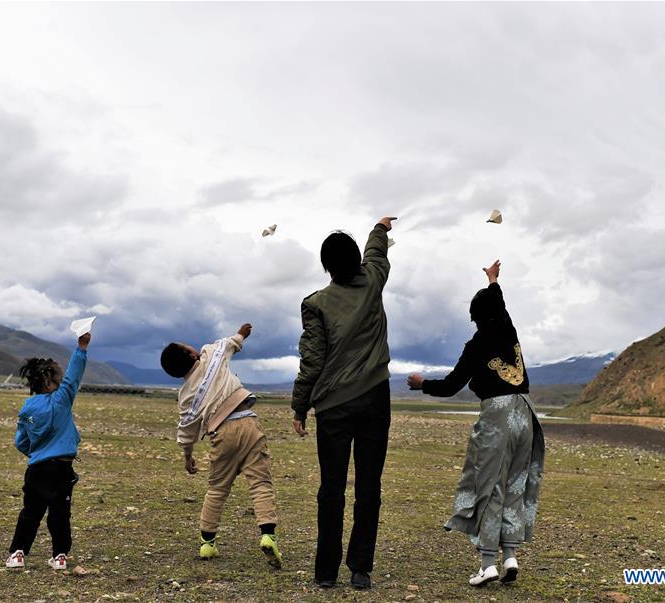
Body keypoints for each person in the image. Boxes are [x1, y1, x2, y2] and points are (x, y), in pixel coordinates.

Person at [407, 260, 545, 587]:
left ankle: (488, 564)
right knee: (514, 483)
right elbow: (499, 302)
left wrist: (421, 384)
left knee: (488, 485)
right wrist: (494, 280)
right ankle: (509, 555)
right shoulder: (508, 329)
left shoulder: (476, 344)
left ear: (476, 318)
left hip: (497, 414)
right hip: (525, 411)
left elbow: (452, 385)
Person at [291, 217, 396, 590]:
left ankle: (325, 572)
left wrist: (300, 406)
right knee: (370, 484)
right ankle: (360, 569)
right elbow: (377, 253)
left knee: (331, 487)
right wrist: (380, 228)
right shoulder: (373, 282)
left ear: (326, 267)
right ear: (355, 260)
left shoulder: (316, 304)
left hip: (333, 407)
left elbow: (313, 361)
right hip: (374, 400)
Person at [161, 323, 282, 568]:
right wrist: (242, 334)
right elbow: (229, 344)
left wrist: (188, 457)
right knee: (260, 483)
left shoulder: (185, 396)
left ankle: (207, 543)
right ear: (192, 354)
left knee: (217, 489)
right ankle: (267, 535)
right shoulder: (210, 355)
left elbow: (186, 431)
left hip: (220, 434)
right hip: (248, 423)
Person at [6, 332, 91, 571]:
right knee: (60, 514)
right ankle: (60, 556)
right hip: (61, 468)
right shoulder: (61, 399)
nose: (64, 380)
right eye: (59, 377)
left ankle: (17, 554)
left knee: (30, 512)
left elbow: (21, 441)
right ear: (48, 382)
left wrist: (37, 454)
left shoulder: (27, 407)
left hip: (36, 469)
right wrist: (81, 347)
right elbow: (74, 376)